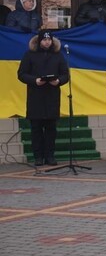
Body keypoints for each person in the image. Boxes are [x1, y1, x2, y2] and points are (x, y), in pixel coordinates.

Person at [17, 31, 69, 166]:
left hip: (52, 96)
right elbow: (22, 74)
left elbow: (65, 74)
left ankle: (50, 156)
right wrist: (35, 80)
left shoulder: (58, 55)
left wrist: (58, 81)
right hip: (36, 96)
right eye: (44, 40)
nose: (47, 42)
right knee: (36, 128)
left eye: (49, 39)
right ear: (39, 41)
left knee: (51, 129)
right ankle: (38, 156)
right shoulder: (29, 55)